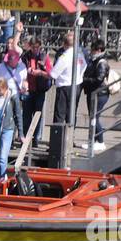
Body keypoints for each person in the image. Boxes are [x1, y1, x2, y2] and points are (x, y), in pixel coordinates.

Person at [50, 31, 85, 165]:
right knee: (72, 115)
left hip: (64, 86)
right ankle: (69, 141)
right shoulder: (79, 53)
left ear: (64, 44)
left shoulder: (64, 56)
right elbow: (84, 67)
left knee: (59, 115)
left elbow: (53, 73)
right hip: (76, 85)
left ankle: (57, 145)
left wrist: (44, 71)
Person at [80, 39, 109, 153]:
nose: (91, 52)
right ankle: (95, 140)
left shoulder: (101, 62)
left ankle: (100, 142)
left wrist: (84, 80)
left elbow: (98, 79)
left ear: (98, 50)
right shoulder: (96, 60)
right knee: (93, 117)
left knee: (94, 117)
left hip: (99, 93)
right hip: (95, 93)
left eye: (93, 50)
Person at [21, 36, 52, 143]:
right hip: (28, 88)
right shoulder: (25, 57)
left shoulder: (44, 57)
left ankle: (36, 139)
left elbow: (50, 74)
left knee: (38, 115)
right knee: (26, 115)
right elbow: (21, 69)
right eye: (33, 47)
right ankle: (25, 137)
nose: (35, 49)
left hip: (39, 89)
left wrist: (40, 72)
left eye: (37, 47)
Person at [0, 77, 18, 179]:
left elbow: (18, 114)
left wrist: (21, 133)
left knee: (2, 157)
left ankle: (2, 177)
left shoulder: (12, 97)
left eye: (0, 90)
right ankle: (0, 170)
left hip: (7, 129)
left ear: (5, 89)